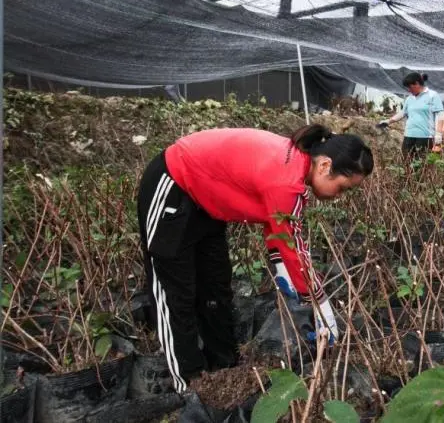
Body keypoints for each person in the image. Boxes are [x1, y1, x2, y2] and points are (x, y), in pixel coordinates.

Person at [136, 125, 374, 393]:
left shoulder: (296, 168)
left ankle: (224, 368)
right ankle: (189, 384)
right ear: (325, 166)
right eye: (341, 187)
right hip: (174, 185)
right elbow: (293, 245)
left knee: (215, 288)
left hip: (207, 203)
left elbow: (276, 229)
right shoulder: (287, 179)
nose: (338, 196)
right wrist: (321, 305)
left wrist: (284, 271)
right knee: (176, 294)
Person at [378, 72, 444, 158]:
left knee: (421, 164)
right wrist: (388, 121)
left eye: (410, 87)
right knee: (406, 163)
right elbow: (403, 112)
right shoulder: (409, 99)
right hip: (408, 135)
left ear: (417, 84)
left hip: (425, 137)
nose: (409, 90)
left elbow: (440, 114)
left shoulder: (432, 95)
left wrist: (438, 134)